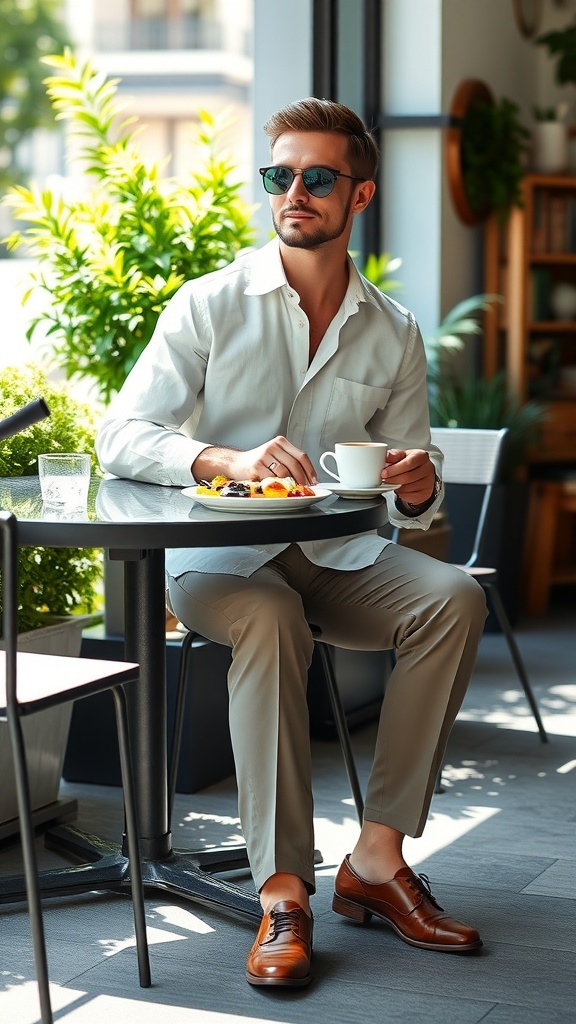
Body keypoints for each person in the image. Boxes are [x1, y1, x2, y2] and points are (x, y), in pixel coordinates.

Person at [97, 98, 488, 988]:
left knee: (453, 599)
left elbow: (413, 489)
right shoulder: (210, 303)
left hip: (337, 558)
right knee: (270, 619)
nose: (295, 192)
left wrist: (417, 484)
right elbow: (119, 434)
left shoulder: (393, 329)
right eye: (281, 175)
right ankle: (283, 893)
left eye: (318, 177)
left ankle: (377, 863)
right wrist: (220, 456)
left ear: (360, 196)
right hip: (218, 566)